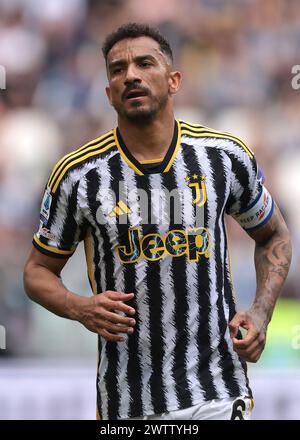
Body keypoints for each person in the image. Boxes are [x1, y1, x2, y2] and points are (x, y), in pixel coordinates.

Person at [23, 23, 292, 420]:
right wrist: (80, 307)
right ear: (108, 92)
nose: (130, 74)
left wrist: (260, 313)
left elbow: (273, 236)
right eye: (117, 70)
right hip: (127, 404)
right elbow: (36, 271)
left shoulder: (224, 158)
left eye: (144, 63)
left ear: (174, 80)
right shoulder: (80, 175)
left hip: (216, 392)